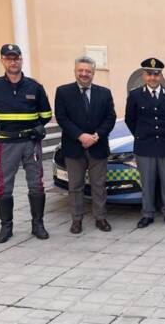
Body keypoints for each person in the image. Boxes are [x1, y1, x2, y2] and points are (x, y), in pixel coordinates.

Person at [0, 44, 53, 243]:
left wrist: (38, 127)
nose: (13, 62)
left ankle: (37, 225)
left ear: (21, 60)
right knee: (5, 186)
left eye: (16, 58)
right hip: (7, 143)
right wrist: (6, 128)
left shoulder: (34, 86)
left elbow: (46, 114)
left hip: (31, 142)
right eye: (9, 58)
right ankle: (6, 227)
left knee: (36, 184)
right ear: (2, 61)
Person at [55, 56, 117, 234]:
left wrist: (96, 135)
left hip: (98, 146)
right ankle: (76, 220)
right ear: (75, 71)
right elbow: (62, 118)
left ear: (93, 73)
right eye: (80, 71)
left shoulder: (104, 93)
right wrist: (80, 136)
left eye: (88, 71)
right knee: (75, 186)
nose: (84, 74)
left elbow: (110, 118)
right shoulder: (63, 92)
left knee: (99, 185)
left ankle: (100, 218)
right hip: (74, 148)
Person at [125, 58, 165, 228]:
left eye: (156, 74)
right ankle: (147, 214)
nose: (153, 78)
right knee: (147, 182)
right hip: (145, 145)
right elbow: (130, 120)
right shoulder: (135, 95)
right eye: (149, 74)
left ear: (161, 75)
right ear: (143, 75)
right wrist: (142, 135)